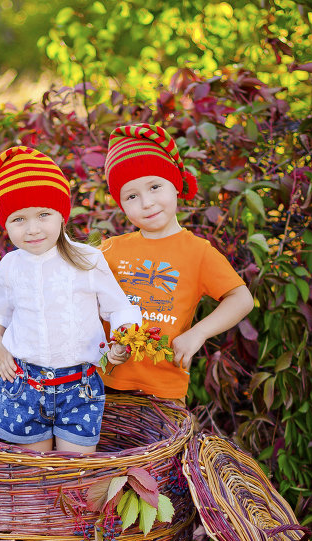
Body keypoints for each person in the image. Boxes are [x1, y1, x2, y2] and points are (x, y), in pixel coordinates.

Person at [0, 146, 141, 453]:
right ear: (4, 224)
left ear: (61, 214)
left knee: (75, 476)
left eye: (43, 215)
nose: (33, 228)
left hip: (80, 385)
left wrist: (123, 340)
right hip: (23, 384)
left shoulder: (87, 260)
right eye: (18, 219)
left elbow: (118, 307)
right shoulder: (9, 266)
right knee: (34, 474)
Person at [100, 123, 254, 403]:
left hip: (164, 390)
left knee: (162, 448)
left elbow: (241, 298)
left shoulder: (198, 252)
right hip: (103, 385)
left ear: (175, 185)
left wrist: (198, 334)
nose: (146, 203)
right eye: (131, 196)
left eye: (155, 186)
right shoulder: (110, 249)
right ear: (121, 204)